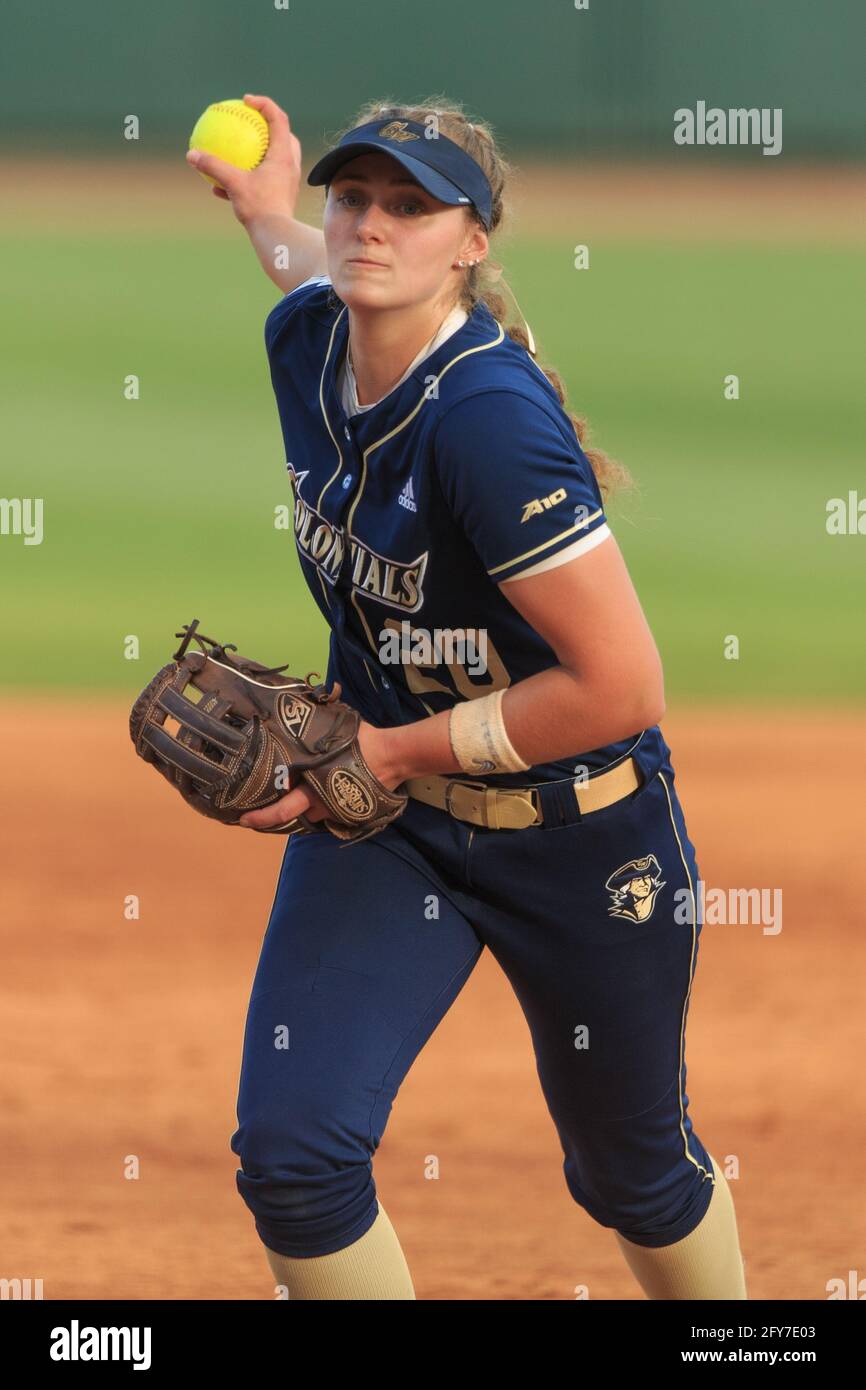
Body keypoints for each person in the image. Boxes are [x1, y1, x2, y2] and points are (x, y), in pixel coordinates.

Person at [185, 94, 747, 1301]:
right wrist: (267, 211)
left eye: (409, 207)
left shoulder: (486, 422)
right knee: (292, 1158)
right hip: (390, 829)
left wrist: (388, 750)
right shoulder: (309, 337)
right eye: (352, 201)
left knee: (631, 1173)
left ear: (473, 240)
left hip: (579, 835)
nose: (368, 229)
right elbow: (309, 270)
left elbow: (618, 687)